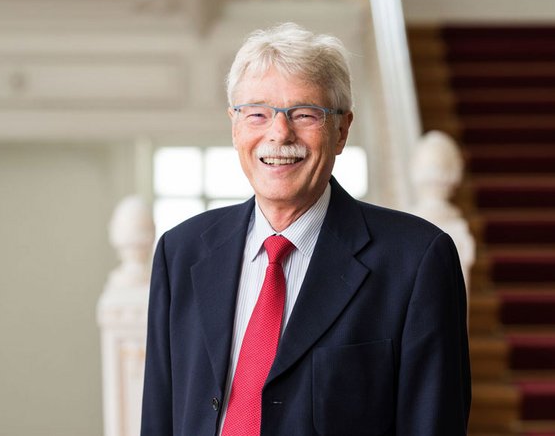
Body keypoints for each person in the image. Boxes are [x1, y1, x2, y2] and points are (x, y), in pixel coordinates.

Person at [141, 22, 471, 436]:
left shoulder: (416, 261)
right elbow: (160, 417)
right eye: (257, 113)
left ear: (341, 130)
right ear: (235, 126)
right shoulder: (181, 251)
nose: (279, 134)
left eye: (304, 114)